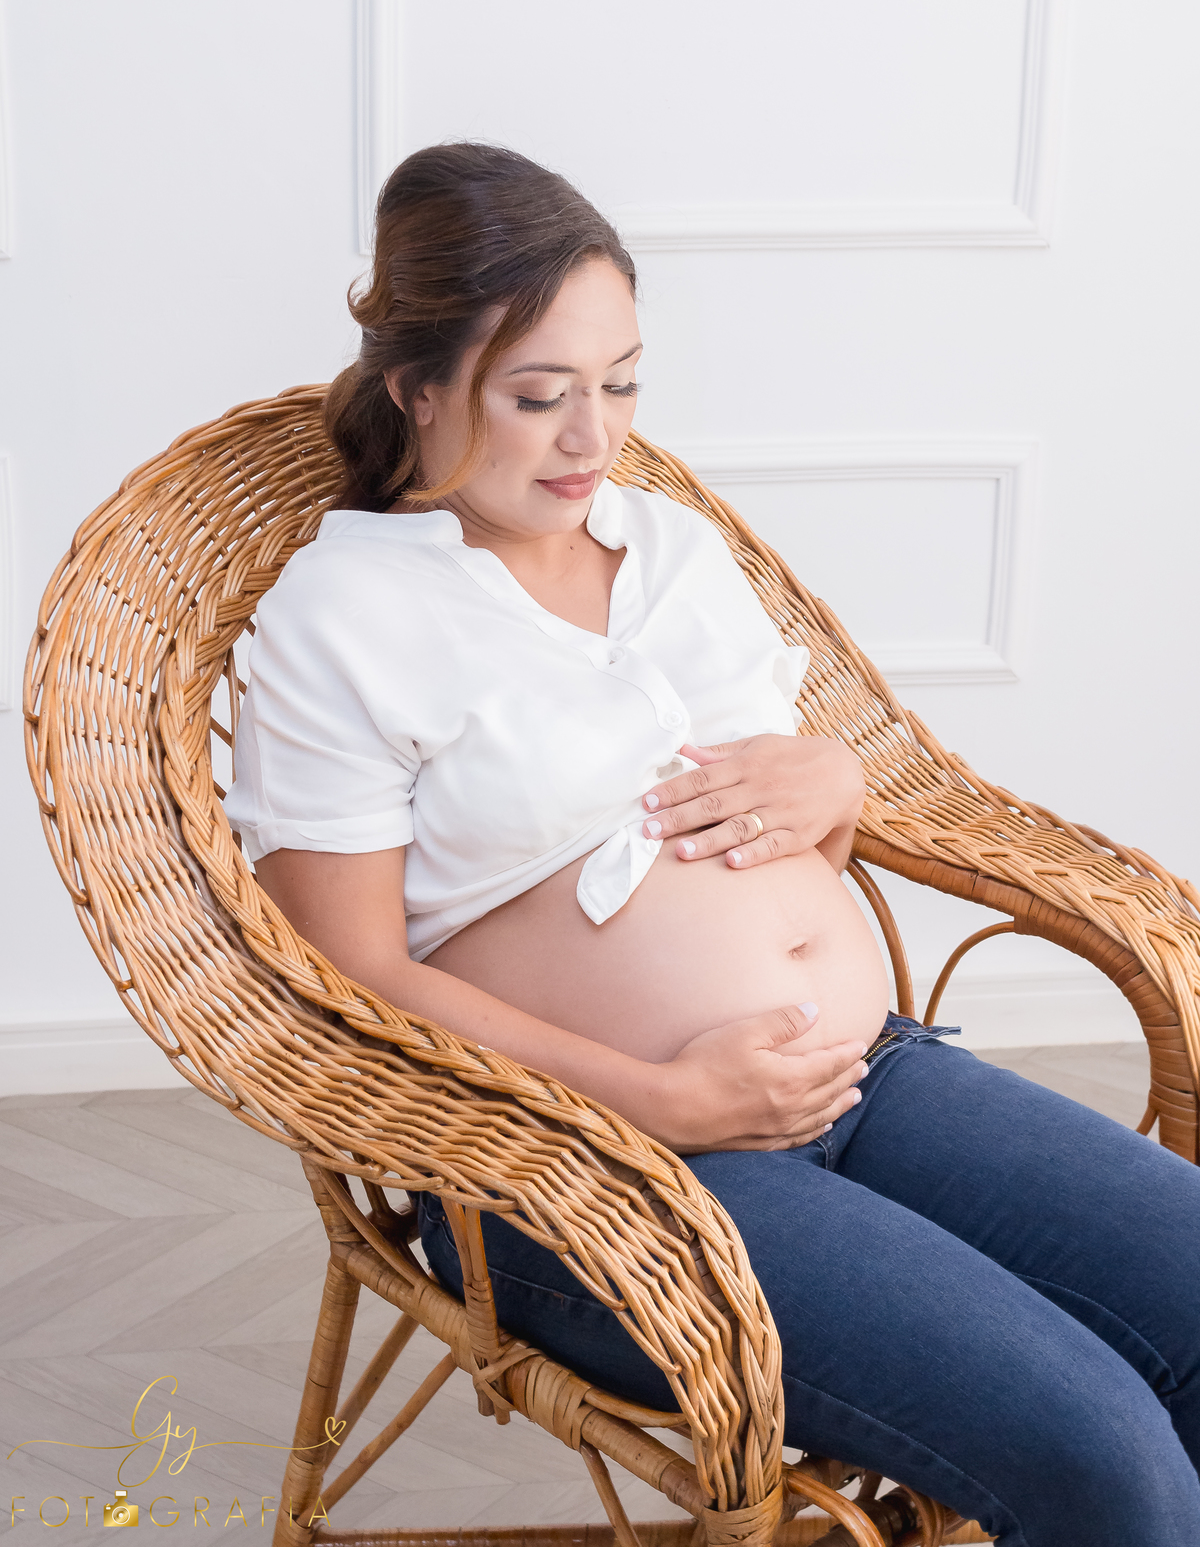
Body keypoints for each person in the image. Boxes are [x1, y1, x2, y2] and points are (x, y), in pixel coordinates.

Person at [225, 144, 1200, 1547]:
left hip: (866, 1078)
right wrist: (657, 1099)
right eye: (539, 395)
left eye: (620, 384)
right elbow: (345, 974)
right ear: (418, 388)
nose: (592, 438)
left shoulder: (668, 548)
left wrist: (831, 782)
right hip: (592, 1175)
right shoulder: (346, 616)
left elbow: (783, 786)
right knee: (1107, 1463)